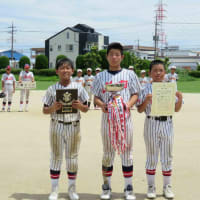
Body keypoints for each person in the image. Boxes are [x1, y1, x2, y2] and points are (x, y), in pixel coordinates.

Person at [91, 42, 141, 200]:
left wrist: (128, 105)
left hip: (125, 120)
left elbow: (135, 94)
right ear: (107, 56)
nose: (114, 57)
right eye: (111, 54)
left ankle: (128, 187)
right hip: (107, 120)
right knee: (107, 153)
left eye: (117, 54)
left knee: (127, 153)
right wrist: (103, 105)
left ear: (122, 57)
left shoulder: (130, 75)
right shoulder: (100, 76)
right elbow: (96, 97)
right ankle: (106, 186)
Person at [43, 58, 89, 200]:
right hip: (57, 124)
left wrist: (79, 106)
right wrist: (53, 108)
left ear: (72, 70)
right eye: (62, 68)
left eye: (68, 68)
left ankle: (72, 190)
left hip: (73, 125)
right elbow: (45, 110)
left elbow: (86, 108)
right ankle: (54, 190)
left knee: (72, 158)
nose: (65, 70)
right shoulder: (52, 89)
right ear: (57, 71)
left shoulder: (79, 87)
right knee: (56, 157)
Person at [136, 60, 183, 199]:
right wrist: (146, 101)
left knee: (167, 156)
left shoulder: (170, 88)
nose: (158, 73)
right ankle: (151, 186)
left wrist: (179, 99)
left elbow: (176, 109)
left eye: (161, 70)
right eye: (155, 70)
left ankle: (167, 186)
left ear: (165, 72)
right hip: (151, 123)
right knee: (151, 156)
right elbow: (139, 109)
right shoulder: (145, 90)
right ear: (150, 73)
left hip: (167, 123)